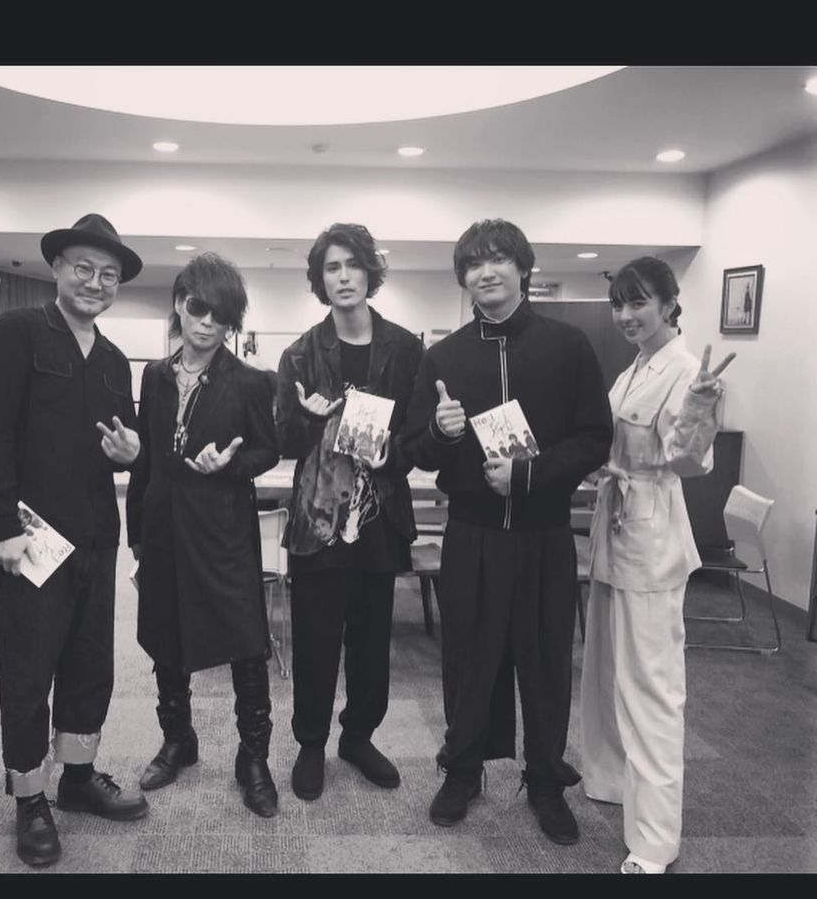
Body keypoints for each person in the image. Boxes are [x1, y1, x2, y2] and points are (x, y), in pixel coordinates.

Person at [400, 219, 612, 845]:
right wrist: (439, 431)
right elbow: (415, 450)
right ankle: (462, 771)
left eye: (498, 260)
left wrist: (529, 474)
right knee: (468, 660)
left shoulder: (568, 346)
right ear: (463, 278)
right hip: (473, 534)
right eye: (474, 264)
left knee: (546, 662)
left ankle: (545, 781)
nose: (486, 272)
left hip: (544, 533)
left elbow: (595, 437)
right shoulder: (444, 357)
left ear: (523, 268)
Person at [0, 213, 150, 868]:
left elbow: (120, 440)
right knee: (26, 671)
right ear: (57, 268)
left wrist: (130, 453)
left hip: (96, 535)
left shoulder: (113, 359)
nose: (95, 283)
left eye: (109, 275)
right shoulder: (17, 333)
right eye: (84, 268)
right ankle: (29, 800)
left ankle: (77, 778)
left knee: (89, 664)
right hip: (32, 538)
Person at [579, 257, 733, 874]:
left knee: (652, 690)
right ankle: (611, 782)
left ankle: (654, 840)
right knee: (606, 671)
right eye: (619, 304)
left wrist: (700, 408)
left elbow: (689, 461)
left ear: (670, 304)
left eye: (638, 302)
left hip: (651, 539)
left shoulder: (687, 370)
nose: (626, 315)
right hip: (612, 531)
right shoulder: (635, 367)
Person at [126, 253, 281, 817]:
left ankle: (254, 759)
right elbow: (146, 460)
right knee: (166, 638)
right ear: (179, 304)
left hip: (224, 532)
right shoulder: (155, 376)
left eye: (221, 315)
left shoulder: (251, 381)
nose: (208, 323)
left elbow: (269, 450)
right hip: (164, 529)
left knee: (246, 645)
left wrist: (232, 464)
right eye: (198, 309)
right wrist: (136, 532)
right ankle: (178, 740)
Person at [276, 223, 425, 801]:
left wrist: (393, 456)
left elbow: (415, 435)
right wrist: (308, 419)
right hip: (318, 519)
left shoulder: (405, 349)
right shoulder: (300, 353)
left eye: (352, 265)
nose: (343, 277)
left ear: (369, 272)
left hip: (378, 518)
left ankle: (358, 737)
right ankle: (311, 743)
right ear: (321, 280)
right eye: (332, 268)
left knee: (370, 643)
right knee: (315, 640)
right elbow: (283, 440)